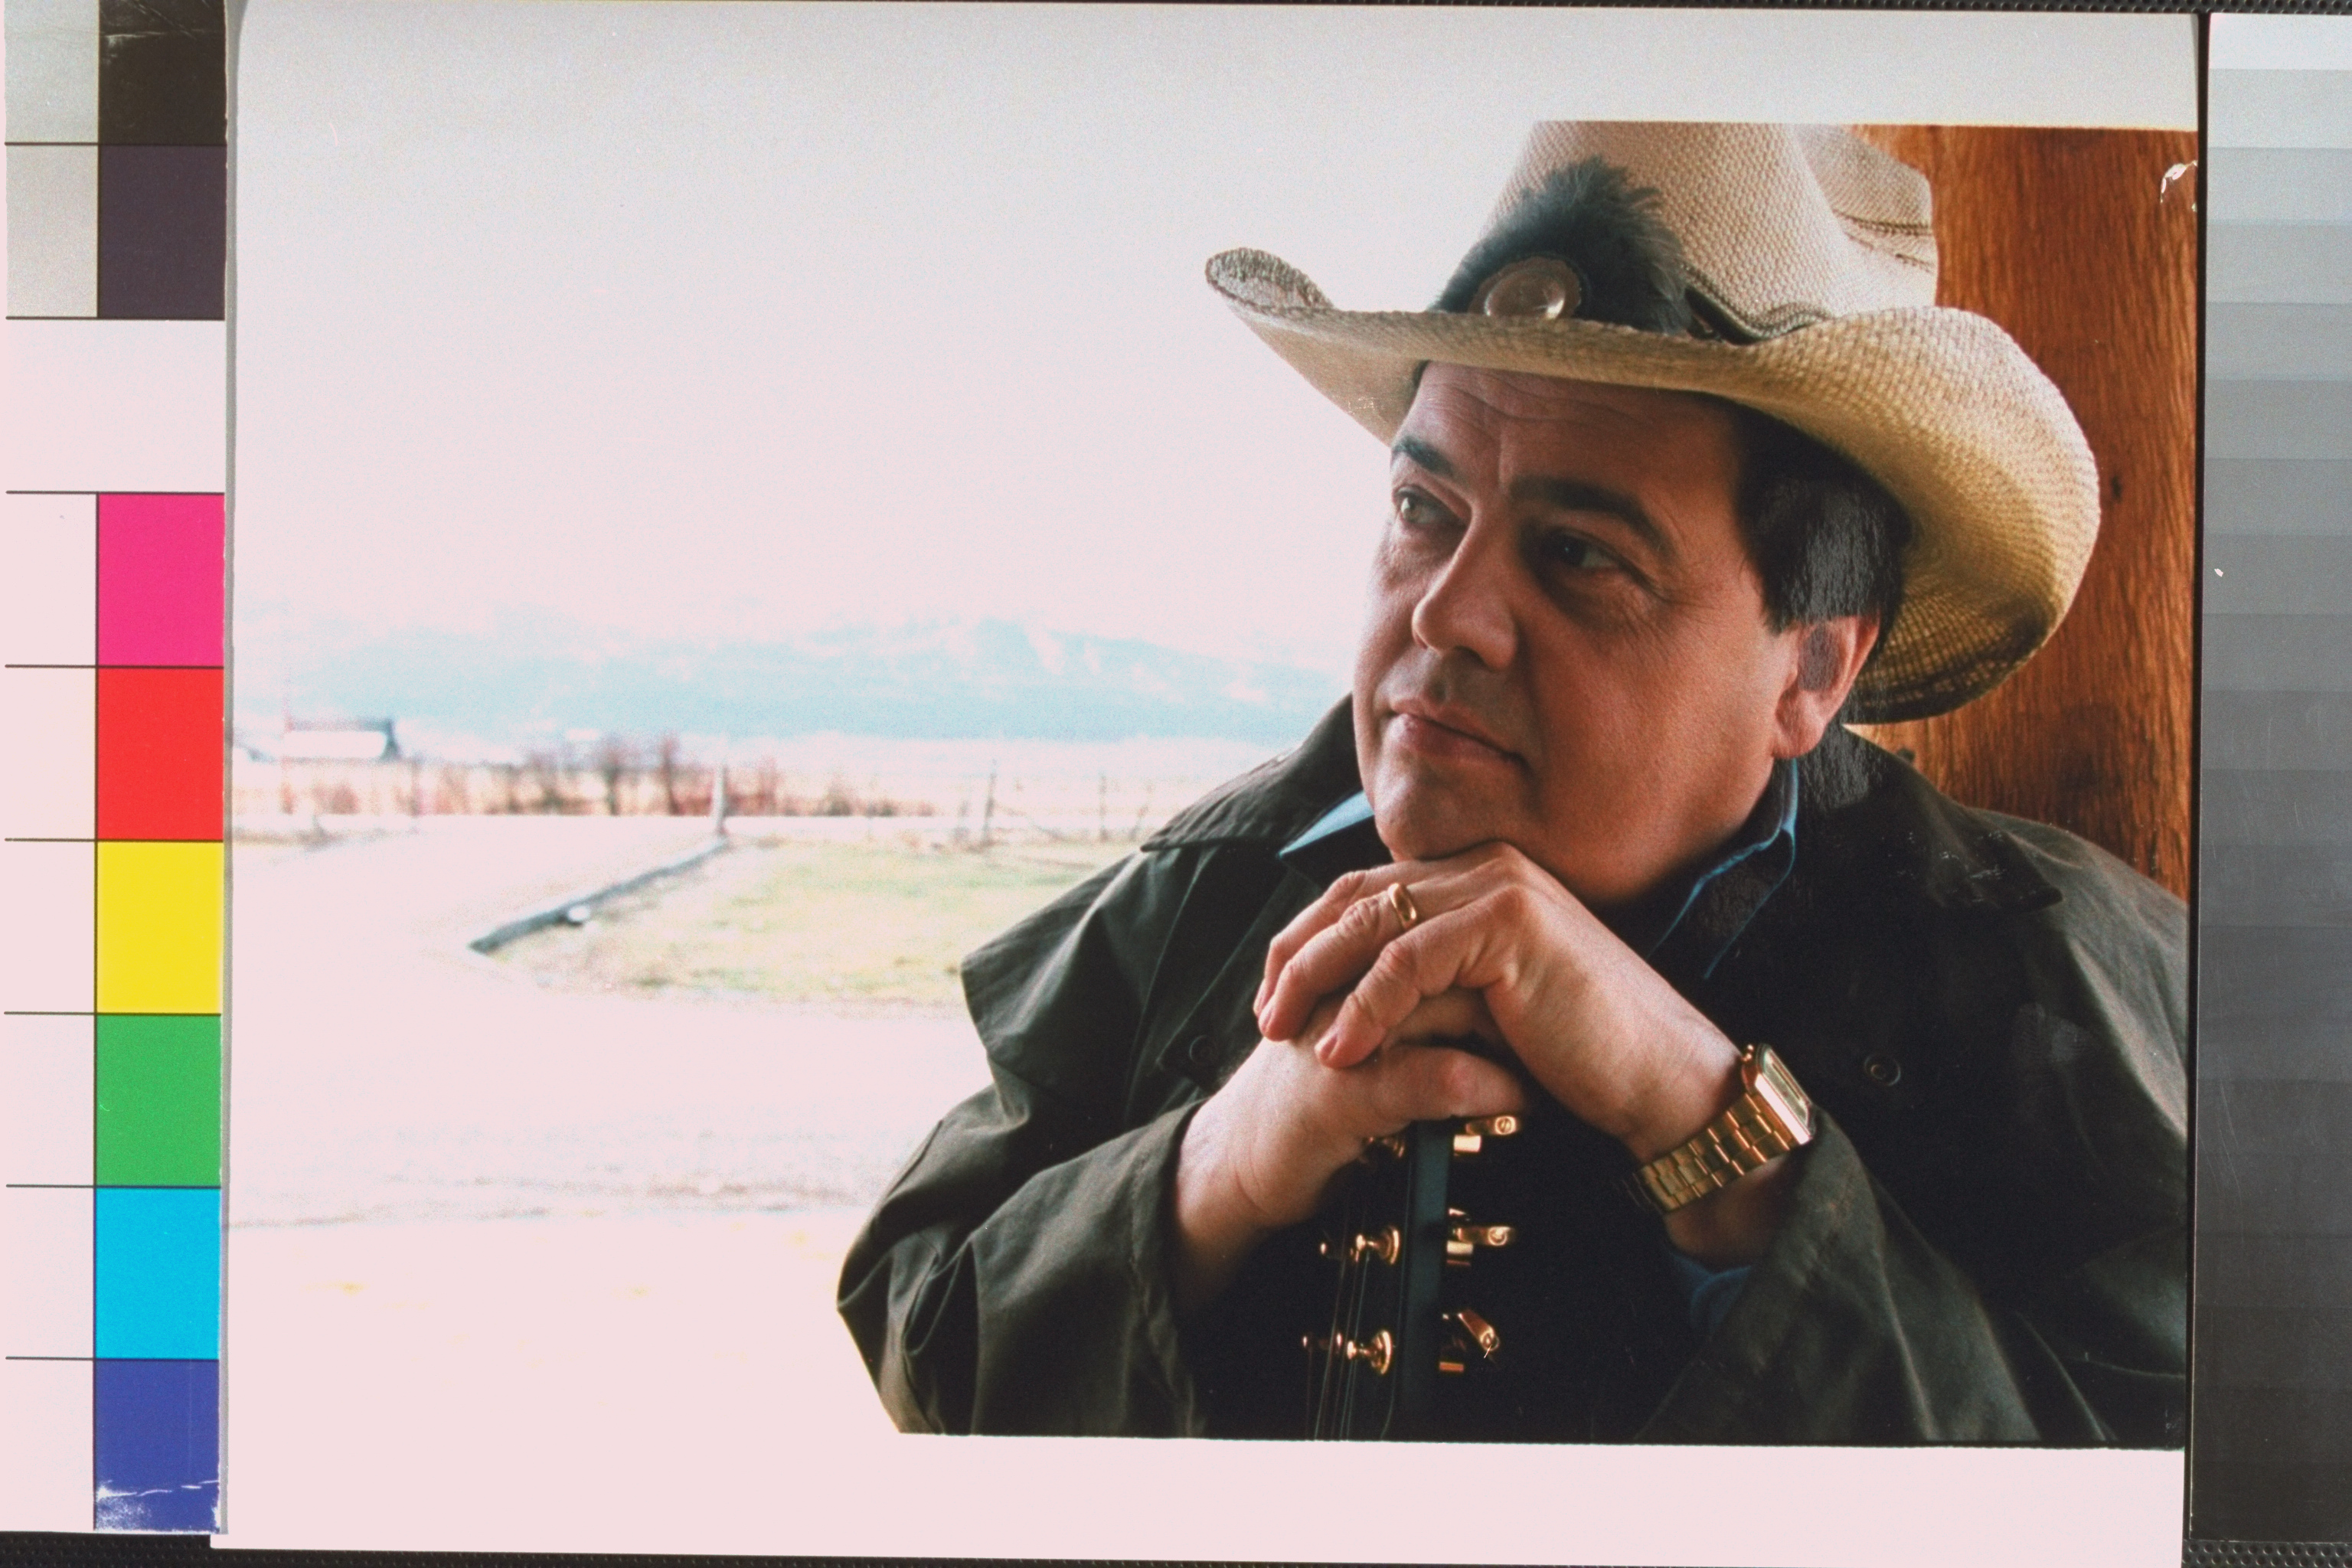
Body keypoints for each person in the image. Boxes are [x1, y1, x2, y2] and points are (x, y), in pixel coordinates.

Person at [837, 122, 2186, 1445]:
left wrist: (1710, 1123)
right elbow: (929, 1343)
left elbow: (2163, 1498)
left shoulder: (2052, 980)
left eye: (1581, 556)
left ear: (1811, 672)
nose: (1447, 617)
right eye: (1424, 513)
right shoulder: (1211, 887)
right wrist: (1221, 1164)